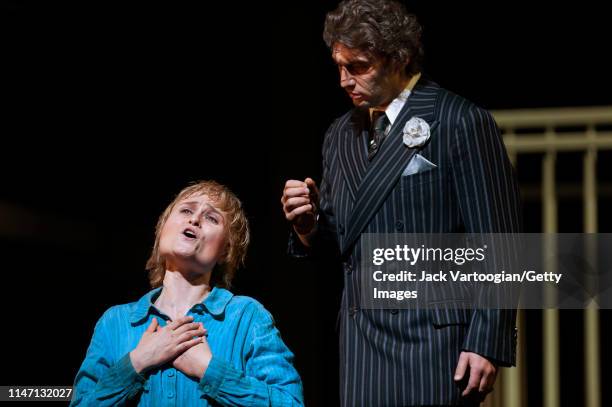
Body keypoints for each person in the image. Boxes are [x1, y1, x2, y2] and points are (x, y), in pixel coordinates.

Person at [281, 0, 522, 405]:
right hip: (362, 346)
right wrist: (307, 227)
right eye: (338, 66)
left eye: (357, 66)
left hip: (435, 343)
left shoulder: (458, 119)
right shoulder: (340, 134)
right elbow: (344, 246)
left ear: (399, 57)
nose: (344, 80)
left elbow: (501, 241)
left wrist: (486, 341)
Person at [72, 181, 304, 406]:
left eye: (211, 218)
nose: (194, 219)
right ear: (162, 229)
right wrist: (138, 361)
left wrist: (209, 369)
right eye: (186, 210)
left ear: (225, 251)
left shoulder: (246, 317)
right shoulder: (115, 322)